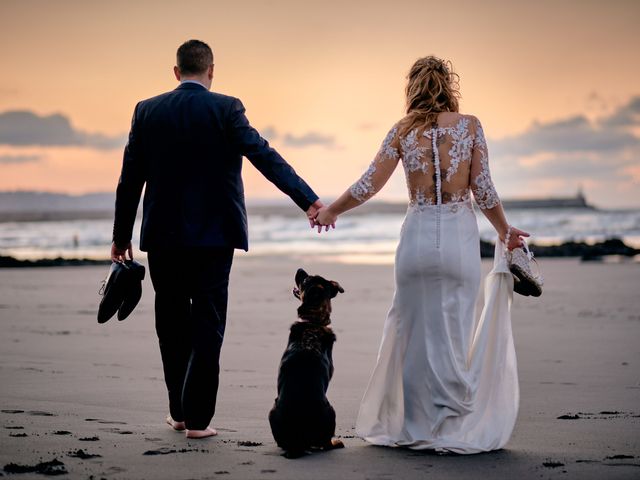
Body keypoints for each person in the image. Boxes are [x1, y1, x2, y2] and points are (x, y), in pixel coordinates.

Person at [314, 56, 529, 453]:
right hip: (457, 240)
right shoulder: (470, 126)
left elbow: (369, 184)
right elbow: (483, 189)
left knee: (411, 332)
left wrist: (330, 211)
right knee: (454, 330)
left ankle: (415, 426)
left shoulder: (402, 130)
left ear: (411, 87)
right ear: (449, 84)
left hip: (415, 240)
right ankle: (451, 423)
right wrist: (504, 230)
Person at [111, 40, 323, 439]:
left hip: (163, 236)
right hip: (214, 237)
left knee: (171, 323)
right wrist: (308, 200)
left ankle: (177, 412)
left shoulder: (146, 111)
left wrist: (120, 236)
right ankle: (198, 422)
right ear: (211, 71)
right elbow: (265, 156)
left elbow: (129, 180)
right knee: (208, 323)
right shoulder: (227, 108)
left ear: (175, 72)